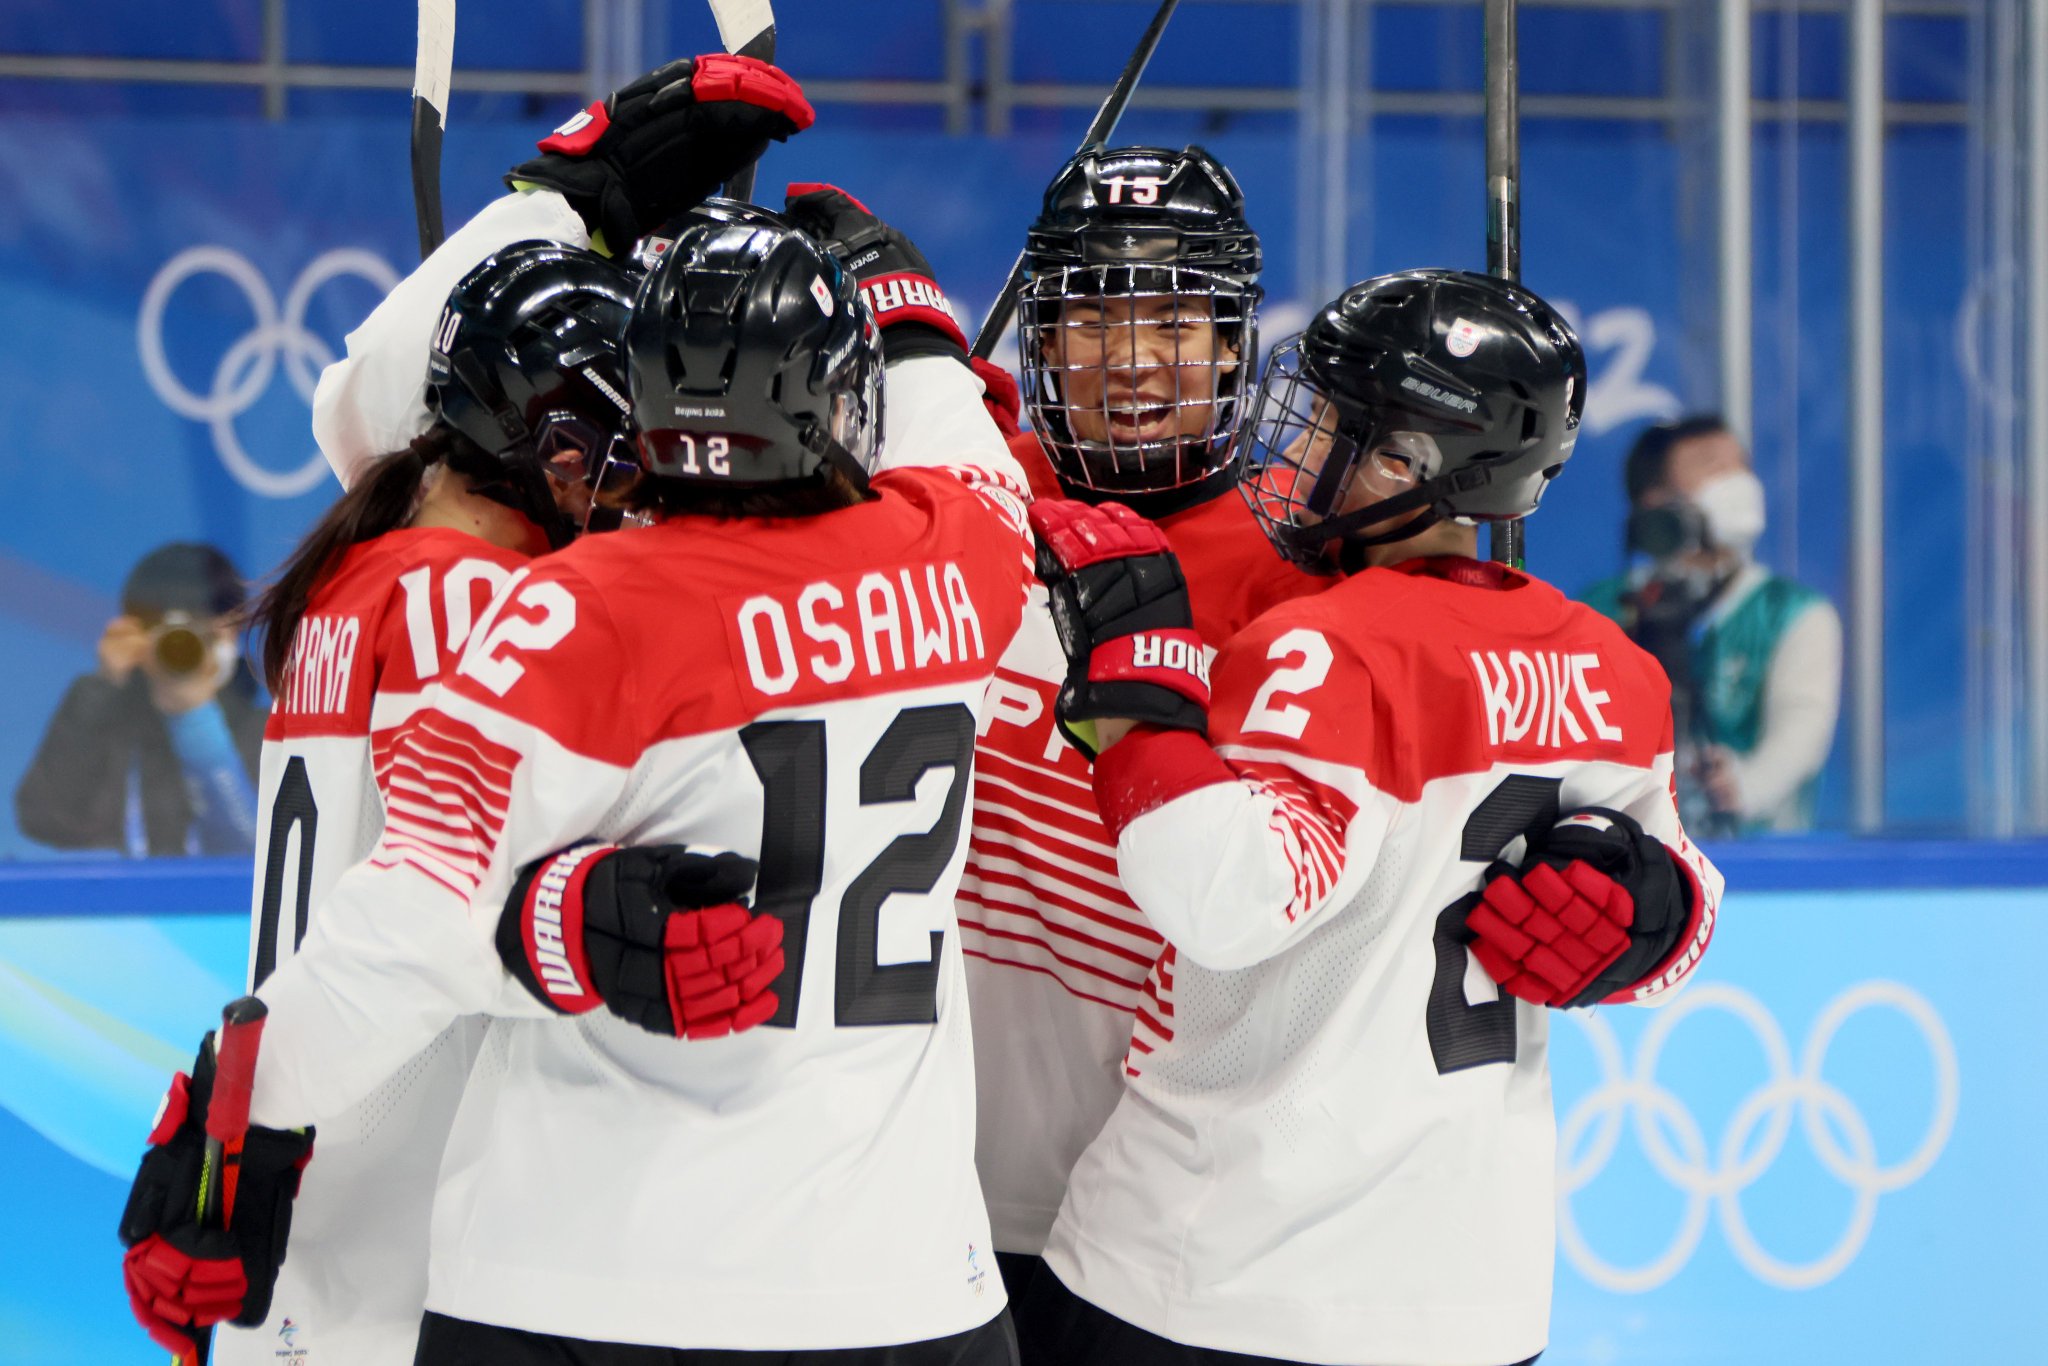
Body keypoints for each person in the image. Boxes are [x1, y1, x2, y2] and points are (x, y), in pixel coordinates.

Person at [128, 185, 1035, 1366]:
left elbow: (407, 927)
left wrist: (227, 1118)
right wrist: (903, 308)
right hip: (901, 1285)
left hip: (572, 1272)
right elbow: (974, 462)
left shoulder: (560, 611)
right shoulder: (953, 563)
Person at [117, 56, 815, 1364]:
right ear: (545, 439)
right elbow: (455, 900)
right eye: (621, 441)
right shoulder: (475, 606)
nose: (642, 480)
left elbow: (370, 393)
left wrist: (555, 202)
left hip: (315, 1193)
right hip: (411, 1224)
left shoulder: (361, 565)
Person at [1023, 269, 1723, 1366]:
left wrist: (1138, 694)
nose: (1288, 456)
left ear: (1408, 466)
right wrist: (1661, 908)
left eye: (1326, 431)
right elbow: (1675, 909)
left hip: (1212, 1271)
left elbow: (1227, 896)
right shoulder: (1609, 671)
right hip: (1472, 1296)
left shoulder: (1318, 646)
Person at [952, 144, 1318, 1345]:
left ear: (1230, 343)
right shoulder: (956, 503)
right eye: (1091, 319)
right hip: (906, 1184)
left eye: (1175, 317)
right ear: (1039, 343)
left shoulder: (1298, 584)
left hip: (1148, 1221)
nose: (1134, 358)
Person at [1583, 415, 1842, 833]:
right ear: (1656, 500)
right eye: (1712, 467)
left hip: (1763, 867)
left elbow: (1802, 732)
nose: (1737, 482)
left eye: (1741, 465)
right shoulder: (1599, 612)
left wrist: (1745, 786)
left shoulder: (1794, 614)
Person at [17, 542, 262, 857]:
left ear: (233, 632)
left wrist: (196, 719)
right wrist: (104, 685)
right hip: (124, 904)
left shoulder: (264, 731)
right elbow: (43, 818)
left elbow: (252, 846)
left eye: (200, 634)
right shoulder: (110, 727)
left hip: (232, 907)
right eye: (168, 636)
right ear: (137, 636)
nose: (180, 650)